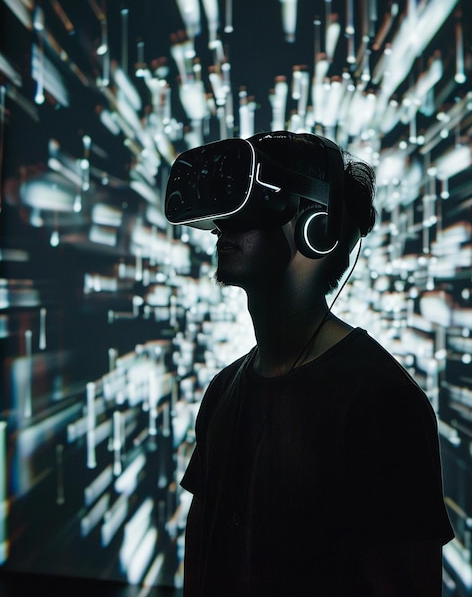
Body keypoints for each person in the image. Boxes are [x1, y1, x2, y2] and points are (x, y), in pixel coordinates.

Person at [173, 131, 454, 596]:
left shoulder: (382, 403)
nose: (223, 225)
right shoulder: (223, 392)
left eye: (252, 206)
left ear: (316, 229)